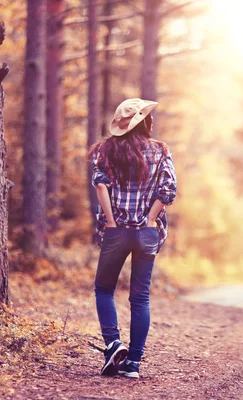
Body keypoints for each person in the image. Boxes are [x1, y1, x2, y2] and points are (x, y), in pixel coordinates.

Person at [87, 98, 177, 378]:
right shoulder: (160, 151)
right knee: (140, 298)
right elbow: (168, 190)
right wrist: (150, 219)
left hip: (117, 231)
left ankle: (113, 343)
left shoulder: (104, 150)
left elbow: (101, 186)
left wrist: (112, 222)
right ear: (144, 123)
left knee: (104, 289)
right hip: (147, 233)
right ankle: (133, 364)